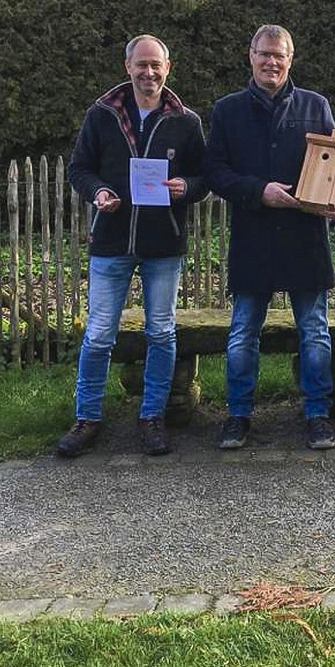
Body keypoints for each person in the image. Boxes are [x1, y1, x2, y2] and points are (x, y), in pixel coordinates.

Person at [205, 24, 335, 451]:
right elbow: (215, 172)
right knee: (242, 333)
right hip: (253, 237)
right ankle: (238, 415)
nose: (271, 62)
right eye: (263, 54)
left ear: (290, 59)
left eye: (279, 55)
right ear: (250, 56)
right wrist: (259, 191)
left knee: (314, 330)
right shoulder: (228, 110)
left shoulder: (316, 107)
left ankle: (318, 414)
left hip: (304, 237)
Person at [59, 34, 207, 458]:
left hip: (164, 243)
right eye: (141, 65)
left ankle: (152, 417)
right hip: (112, 241)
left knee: (161, 331)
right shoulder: (102, 114)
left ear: (168, 68)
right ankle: (87, 418)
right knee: (100, 333)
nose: (148, 72)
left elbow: (204, 176)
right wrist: (99, 192)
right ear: (127, 67)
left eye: (155, 65)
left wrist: (186, 186)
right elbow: (79, 169)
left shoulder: (186, 121)